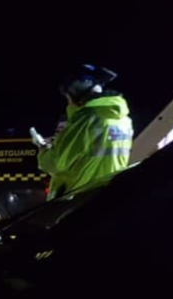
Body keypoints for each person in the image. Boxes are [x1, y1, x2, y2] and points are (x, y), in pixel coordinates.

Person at [34, 64, 134, 201]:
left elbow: (56, 163)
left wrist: (44, 149)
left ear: (75, 91)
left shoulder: (86, 118)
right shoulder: (123, 119)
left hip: (78, 197)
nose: (67, 100)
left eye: (67, 95)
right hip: (108, 193)